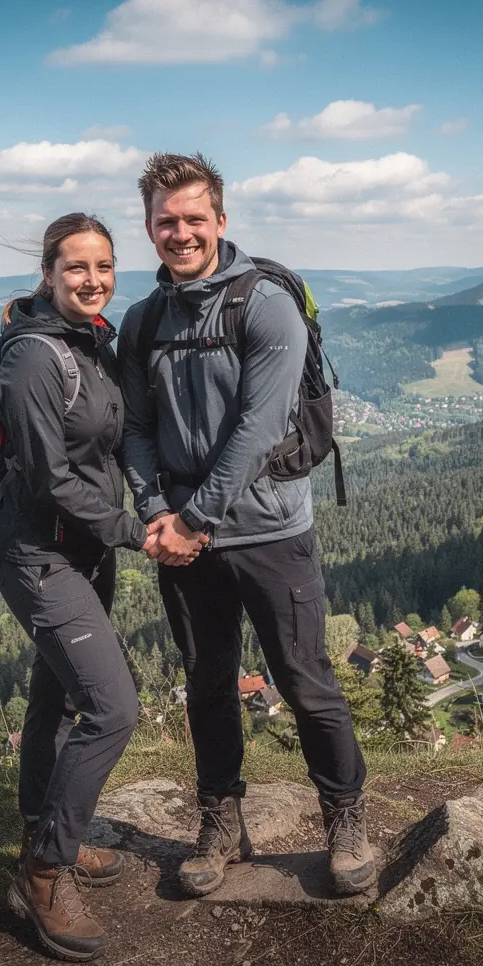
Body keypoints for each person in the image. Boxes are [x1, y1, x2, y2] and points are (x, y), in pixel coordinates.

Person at [119, 154, 374, 898]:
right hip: (184, 536)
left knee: (304, 678)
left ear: (221, 221)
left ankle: (345, 817)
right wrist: (154, 511)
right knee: (206, 682)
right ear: (149, 228)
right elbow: (135, 429)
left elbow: (261, 430)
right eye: (166, 221)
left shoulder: (266, 305)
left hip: (269, 533)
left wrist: (193, 519)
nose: (181, 232)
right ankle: (220, 822)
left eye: (194, 218)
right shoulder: (143, 322)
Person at [0, 213, 203, 962]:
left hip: (84, 553)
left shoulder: (94, 342)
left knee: (58, 697)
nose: (93, 280)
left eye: (104, 266)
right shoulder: (34, 362)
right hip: (38, 557)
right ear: (49, 273)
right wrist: (135, 531)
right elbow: (49, 479)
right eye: (76, 268)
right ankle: (44, 873)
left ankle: (50, 832)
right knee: (113, 709)